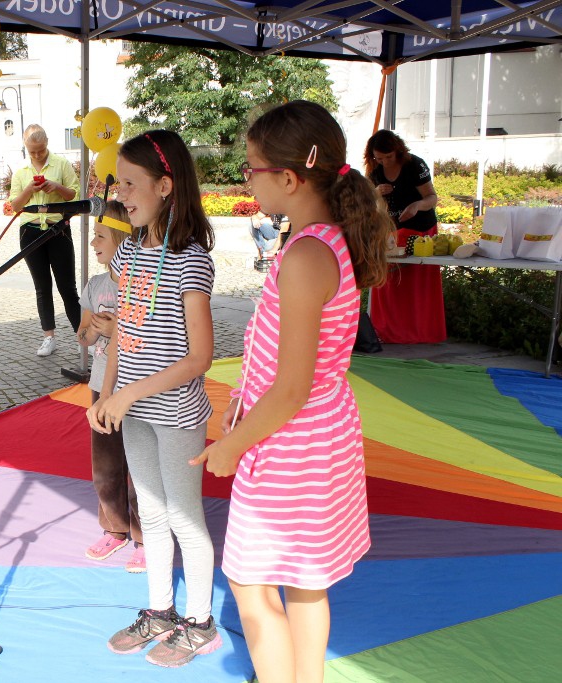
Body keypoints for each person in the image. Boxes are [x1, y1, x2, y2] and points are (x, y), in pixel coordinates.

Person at [192, 100, 392, 683]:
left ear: (289, 177)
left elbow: (292, 389)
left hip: (292, 444)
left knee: (250, 584)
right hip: (313, 436)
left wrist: (231, 447)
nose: (247, 181)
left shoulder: (306, 255)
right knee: (306, 581)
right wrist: (240, 400)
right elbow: (281, 361)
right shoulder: (317, 242)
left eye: (251, 169)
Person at [88, 130, 219, 668]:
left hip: (176, 414)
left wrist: (130, 394)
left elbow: (199, 359)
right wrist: (110, 391)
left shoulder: (191, 259)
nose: (120, 193)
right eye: (117, 182)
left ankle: (200, 621)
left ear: (166, 186)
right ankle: (160, 610)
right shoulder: (127, 257)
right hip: (134, 411)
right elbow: (121, 331)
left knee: (185, 515)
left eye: (130, 183)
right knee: (154, 513)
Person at [77, 201, 144, 572]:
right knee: (105, 463)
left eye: (99, 236)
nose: (92, 244)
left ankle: (145, 535)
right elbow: (83, 337)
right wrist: (92, 330)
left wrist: (119, 329)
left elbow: (148, 337)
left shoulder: (140, 284)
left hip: (132, 387)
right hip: (99, 383)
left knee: (138, 465)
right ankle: (114, 528)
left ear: (121, 240)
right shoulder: (95, 285)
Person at [364, 129, 445, 344]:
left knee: (417, 284)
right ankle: (387, 330)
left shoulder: (414, 165)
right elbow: (366, 201)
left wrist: (418, 205)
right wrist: (375, 192)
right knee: (388, 282)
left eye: (388, 157)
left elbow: (432, 197)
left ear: (397, 151)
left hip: (419, 232)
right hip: (390, 230)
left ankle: (419, 332)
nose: (384, 162)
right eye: (379, 158)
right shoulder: (375, 171)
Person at [8, 124, 82, 357]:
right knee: (42, 288)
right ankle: (48, 337)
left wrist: (56, 187)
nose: (38, 155)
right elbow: (15, 206)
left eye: (41, 150)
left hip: (57, 230)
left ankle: (83, 337)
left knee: (67, 288)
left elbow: (75, 196)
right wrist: (29, 188)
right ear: (26, 148)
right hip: (30, 231)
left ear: (47, 143)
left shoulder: (61, 164)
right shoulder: (21, 172)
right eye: (33, 152)